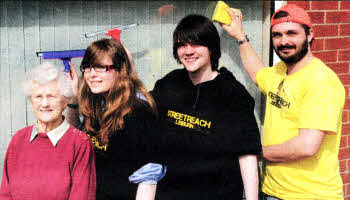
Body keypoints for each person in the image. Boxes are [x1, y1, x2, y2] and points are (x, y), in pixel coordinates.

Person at [222, 4, 345, 200]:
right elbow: (257, 74)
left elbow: (307, 145)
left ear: (310, 34)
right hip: (272, 190)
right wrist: (240, 37)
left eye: (291, 33)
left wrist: (253, 152)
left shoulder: (321, 80)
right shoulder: (279, 71)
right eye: (277, 35)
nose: (284, 41)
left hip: (310, 195)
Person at [150, 14, 261, 200]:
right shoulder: (169, 84)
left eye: (196, 44)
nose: (188, 51)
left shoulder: (233, 93)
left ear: (212, 48)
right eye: (181, 45)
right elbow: (141, 119)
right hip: (169, 194)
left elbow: (247, 156)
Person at [67, 38, 164, 200]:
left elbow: (148, 176)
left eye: (100, 67)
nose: (91, 74)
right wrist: (73, 99)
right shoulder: (98, 103)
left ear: (120, 70)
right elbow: (76, 140)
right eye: (87, 67)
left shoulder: (137, 113)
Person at [0, 63, 96, 200]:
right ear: (31, 101)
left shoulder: (80, 143)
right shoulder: (18, 140)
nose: (44, 104)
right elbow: (5, 195)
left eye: (52, 96)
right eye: (38, 96)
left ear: (65, 101)